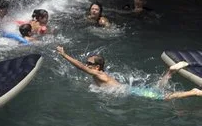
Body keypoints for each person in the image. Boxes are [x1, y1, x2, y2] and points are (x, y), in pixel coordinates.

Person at [56, 47, 202, 100]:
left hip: (130, 92)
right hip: (128, 90)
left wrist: (64, 54)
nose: (87, 65)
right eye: (87, 62)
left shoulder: (99, 74)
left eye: (90, 64)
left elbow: (80, 67)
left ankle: (194, 92)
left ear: (98, 67)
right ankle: (170, 72)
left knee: (163, 97)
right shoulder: (100, 75)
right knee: (157, 89)